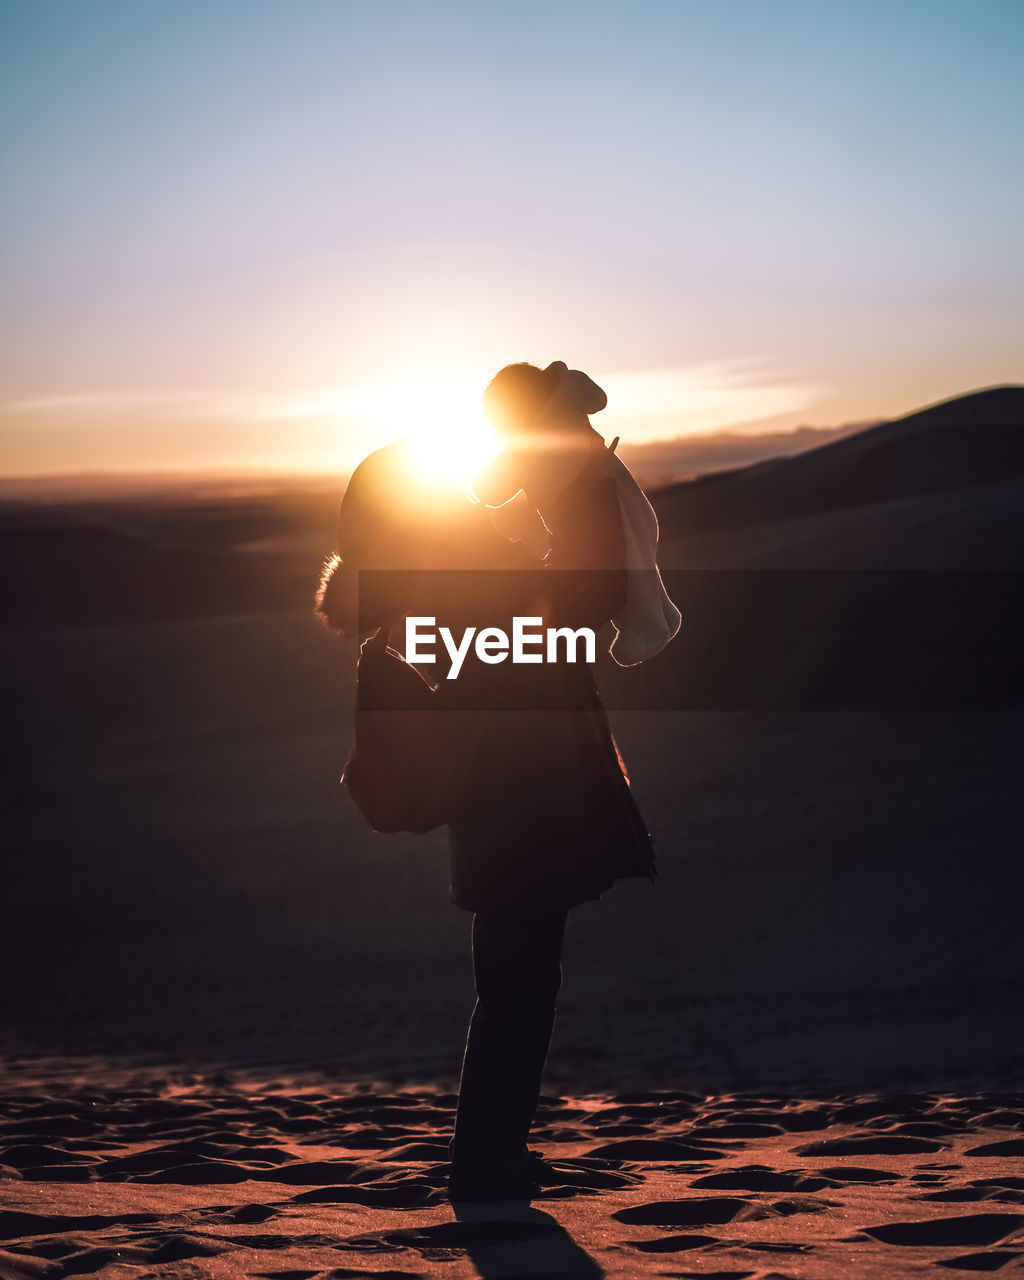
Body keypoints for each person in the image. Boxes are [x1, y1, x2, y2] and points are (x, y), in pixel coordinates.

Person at [316, 361, 657, 1202]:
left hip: (506, 813)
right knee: (518, 987)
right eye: (456, 503)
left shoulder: (431, 599)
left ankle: (494, 1153)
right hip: (517, 812)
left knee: (516, 984)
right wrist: (574, 466)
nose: (477, 506)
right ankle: (486, 1164)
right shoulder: (456, 597)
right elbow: (590, 599)